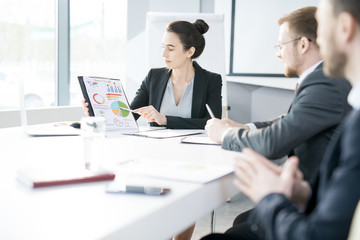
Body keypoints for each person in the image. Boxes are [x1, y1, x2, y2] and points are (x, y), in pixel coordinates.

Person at [201, 0, 360, 239]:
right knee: (243, 222)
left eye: (323, 28)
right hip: (311, 198)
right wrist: (304, 192)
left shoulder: (328, 83)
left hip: (309, 221)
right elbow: (292, 119)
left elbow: (320, 234)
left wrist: (269, 196)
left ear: (344, 28)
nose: (321, 40)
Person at [205, 6, 351, 182]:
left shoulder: (326, 82)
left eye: (281, 45)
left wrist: (224, 134)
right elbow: (291, 119)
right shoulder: (324, 78)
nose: (278, 54)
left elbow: (273, 143)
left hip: (315, 197)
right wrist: (246, 128)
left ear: (303, 44)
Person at [83, 19, 222, 130]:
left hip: (195, 152)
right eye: (163, 47)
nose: (164, 54)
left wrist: (165, 120)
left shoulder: (211, 80)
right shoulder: (154, 77)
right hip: (156, 149)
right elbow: (128, 117)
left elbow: (212, 123)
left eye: (171, 49)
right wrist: (97, 112)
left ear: (190, 52)